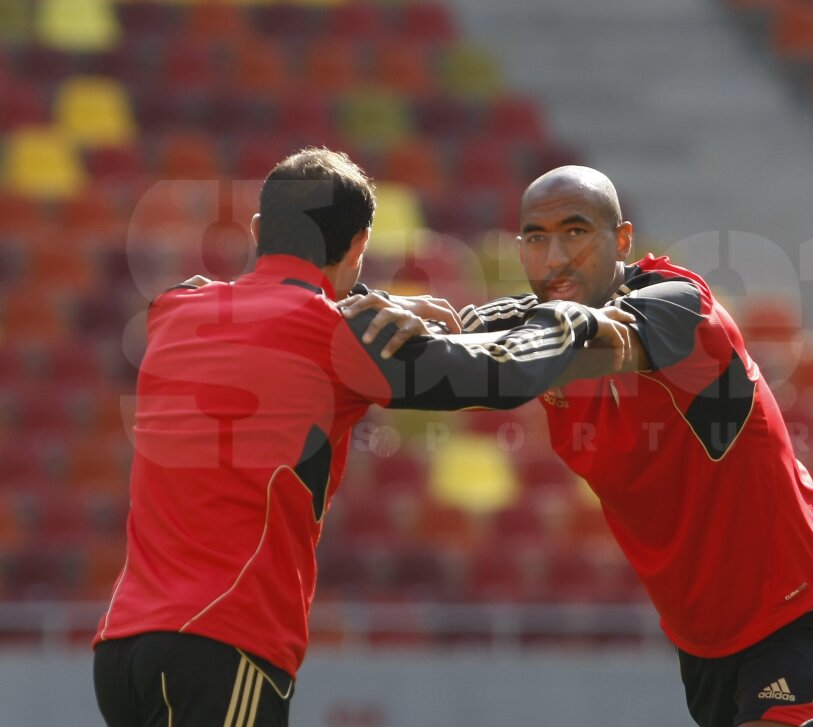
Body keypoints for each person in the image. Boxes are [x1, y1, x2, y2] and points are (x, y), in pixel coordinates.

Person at [92, 148, 633, 727]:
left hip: (122, 646)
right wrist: (578, 319)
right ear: (359, 245)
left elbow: (270, 323)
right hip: (221, 643)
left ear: (257, 230)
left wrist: (382, 308)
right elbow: (498, 377)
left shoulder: (176, 309)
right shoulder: (339, 336)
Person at [345, 165, 813, 727]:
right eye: (536, 239)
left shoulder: (682, 309)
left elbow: (558, 353)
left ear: (621, 240)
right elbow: (464, 355)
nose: (555, 257)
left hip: (811, 611)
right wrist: (392, 316)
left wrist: (441, 340)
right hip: (708, 647)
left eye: (576, 232)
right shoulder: (535, 324)